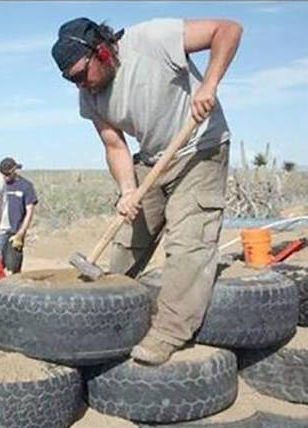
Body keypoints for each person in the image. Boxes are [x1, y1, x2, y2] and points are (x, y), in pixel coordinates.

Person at [52, 17, 242, 365]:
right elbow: (114, 146)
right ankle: (107, 307)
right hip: (154, 158)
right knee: (128, 240)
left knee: (188, 242)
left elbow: (227, 30)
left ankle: (170, 332)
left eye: (81, 74)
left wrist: (208, 85)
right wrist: (127, 191)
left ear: (103, 51)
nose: (80, 85)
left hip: (201, 148)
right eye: (71, 80)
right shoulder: (90, 97)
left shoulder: (153, 39)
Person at [0, 157, 38, 273]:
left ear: (14, 170)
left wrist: (21, 233)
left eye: (8, 174)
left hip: (15, 232)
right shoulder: (0, 185)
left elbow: (30, 211)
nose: (5, 177)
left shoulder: (26, 186)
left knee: (13, 268)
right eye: (3, 174)